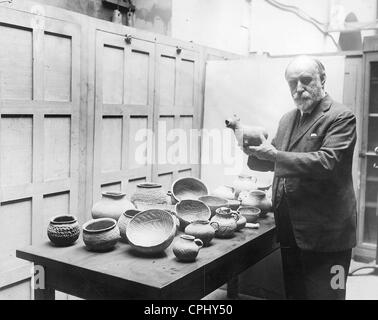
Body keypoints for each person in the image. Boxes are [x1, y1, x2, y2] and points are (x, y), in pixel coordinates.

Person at [243, 56, 357, 300]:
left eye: (306, 80)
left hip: (328, 237)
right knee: (295, 294)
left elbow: (328, 163)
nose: (299, 88)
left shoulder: (341, 116)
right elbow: (275, 157)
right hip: (291, 231)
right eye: (292, 83)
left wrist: (274, 155)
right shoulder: (287, 119)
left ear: (323, 79)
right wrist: (251, 151)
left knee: (329, 296)